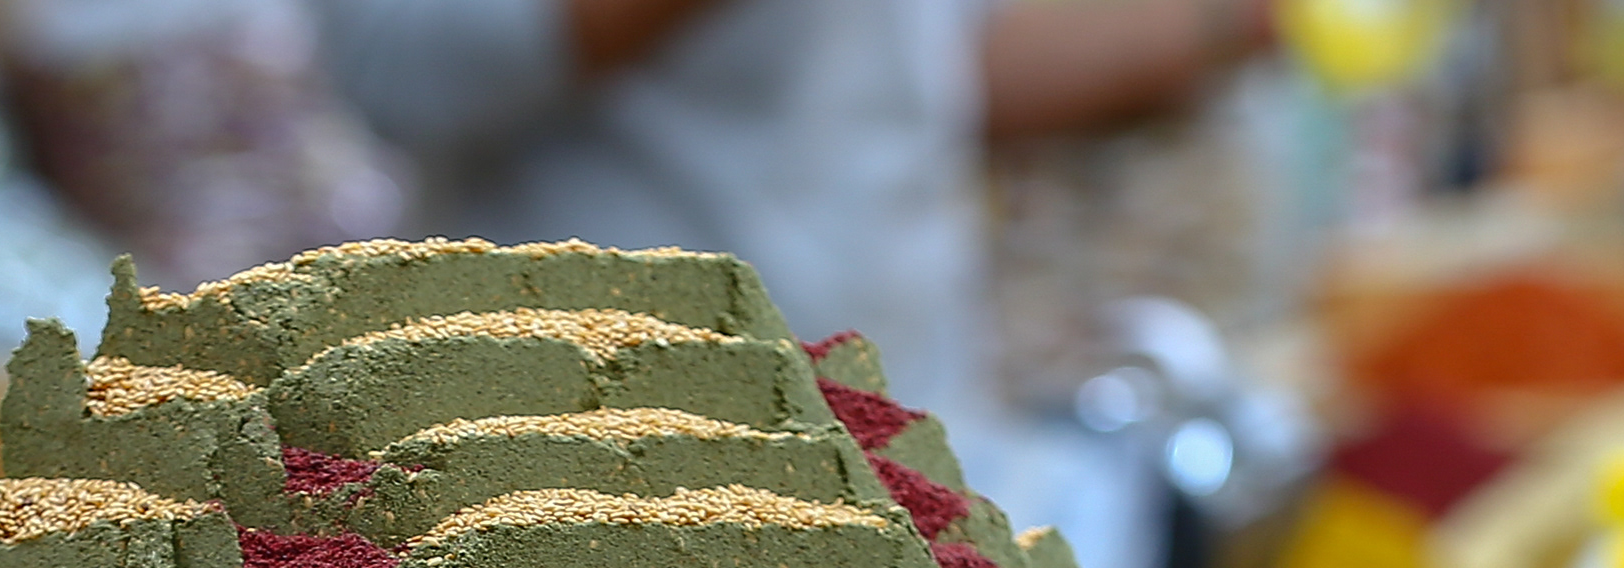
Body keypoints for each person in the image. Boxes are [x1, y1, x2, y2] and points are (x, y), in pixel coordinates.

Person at [311, 0, 1271, 424]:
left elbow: (949, 72)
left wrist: (1256, 17)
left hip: (887, 430)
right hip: (591, 461)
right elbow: (398, 66)